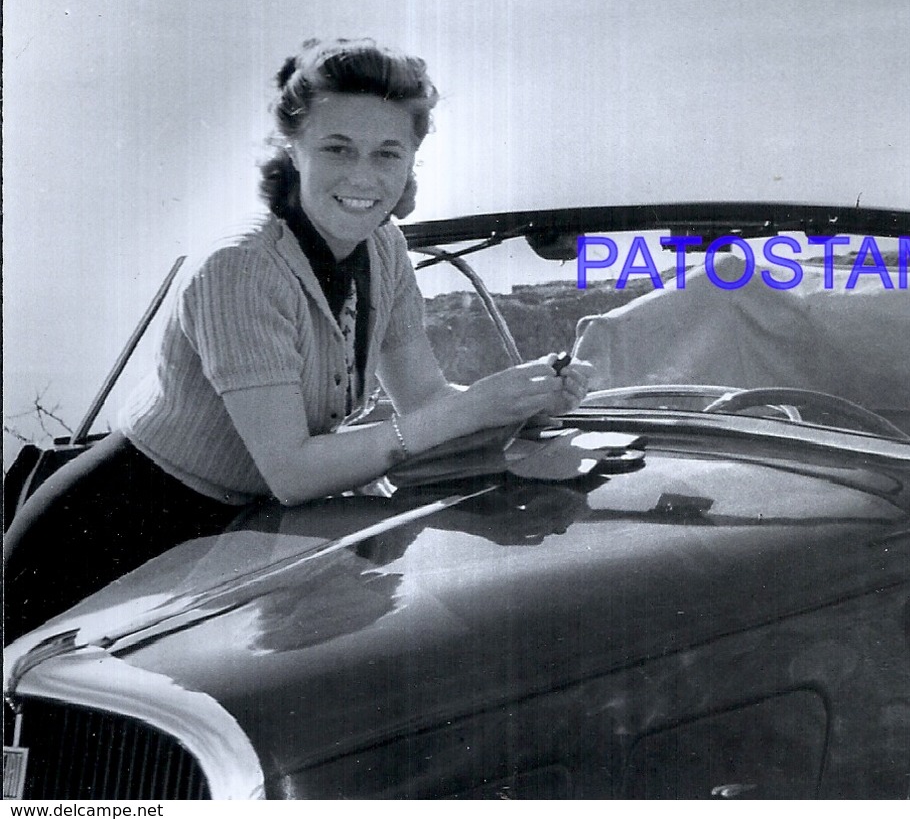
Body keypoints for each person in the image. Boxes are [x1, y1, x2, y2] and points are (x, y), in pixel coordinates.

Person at [5, 38, 592, 637]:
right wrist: (471, 410)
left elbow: (426, 400)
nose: (363, 176)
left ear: (412, 159)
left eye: (387, 153)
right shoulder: (241, 268)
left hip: (239, 530)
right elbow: (292, 471)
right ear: (294, 149)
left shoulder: (384, 249)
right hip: (114, 534)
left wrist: (520, 397)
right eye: (338, 148)